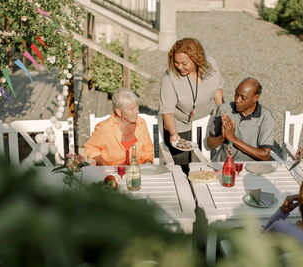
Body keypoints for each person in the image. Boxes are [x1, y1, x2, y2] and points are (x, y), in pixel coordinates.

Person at [159, 37, 224, 173]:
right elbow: (167, 111)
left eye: (184, 63)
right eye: (176, 63)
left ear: (196, 58)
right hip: (180, 124)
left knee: (202, 161)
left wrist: (224, 111)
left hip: (204, 120)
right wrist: (174, 134)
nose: (179, 67)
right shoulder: (170, 77)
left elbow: (216, 89)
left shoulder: (210, 65)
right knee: (183, 167)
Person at [206, 77, 275, 162]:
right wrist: (223, 137)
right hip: (223, 166)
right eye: (236, 94)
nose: (237, 100)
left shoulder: (266, 116)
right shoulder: (224, 110)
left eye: (243, 98)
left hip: (252, 169)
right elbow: (209, 144)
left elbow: (265, 156)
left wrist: (233, 139)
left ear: (256, 97)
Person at [85, 88, 154, 165]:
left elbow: (148, 149)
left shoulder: (141, 123)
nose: (137, 112)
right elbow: (91, 148)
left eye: (137, 108)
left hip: (137, 170)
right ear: (118, 112)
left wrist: (148, 162)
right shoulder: (105, 128)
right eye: (132, 109)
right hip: (113, 172)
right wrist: (102, 163)